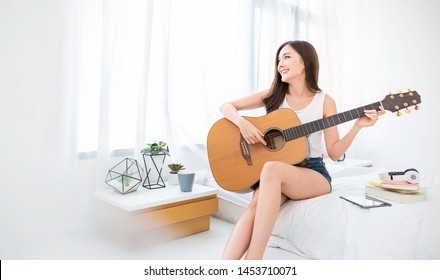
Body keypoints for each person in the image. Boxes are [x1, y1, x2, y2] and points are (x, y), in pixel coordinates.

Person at [219, 40, 385, 260]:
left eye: (287, 57)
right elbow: (226, 107)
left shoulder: (324, 101)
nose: (280, 64)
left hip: (312, 173)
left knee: (270, 169)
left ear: (305, 62)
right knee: (255, 205)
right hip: (278, 172)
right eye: (278, 60)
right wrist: (243, 123)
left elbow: (334, 153)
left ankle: (253, 261)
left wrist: (357, 126)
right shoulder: (273, 95)